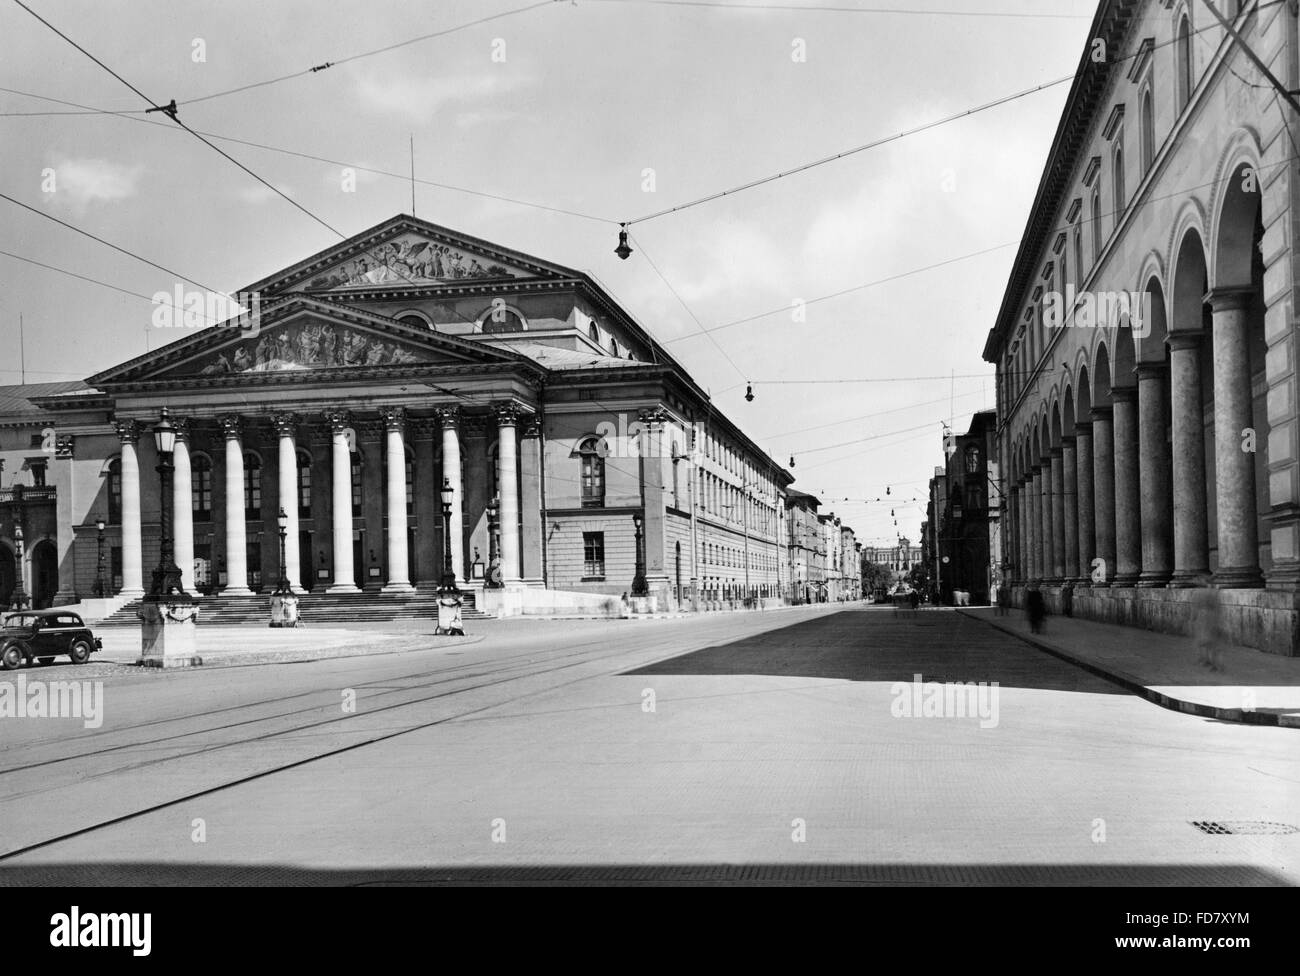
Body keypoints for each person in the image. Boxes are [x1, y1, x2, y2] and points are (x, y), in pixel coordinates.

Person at [1189, 575, 1225, 671]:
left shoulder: (1196, 593)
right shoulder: (1213, 593)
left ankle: (1206, 659)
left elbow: (1195, 608)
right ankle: (1216, 663)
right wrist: (1219, 620)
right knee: (1213, 642)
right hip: (1212, 617)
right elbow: (1218, 607)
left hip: (1202, 618)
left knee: (1202, 641)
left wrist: (1192, 620)